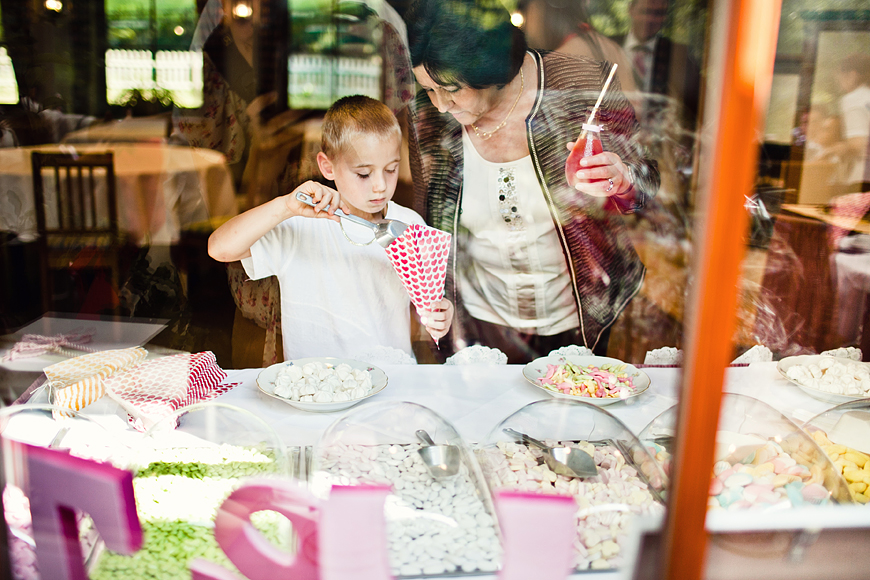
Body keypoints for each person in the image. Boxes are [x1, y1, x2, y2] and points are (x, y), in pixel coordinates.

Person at [405, 0, 659, 363]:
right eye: (429, 89)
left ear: (487, 68)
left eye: (452, 89)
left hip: (582, 321)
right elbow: (429, 225)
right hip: (480, 326)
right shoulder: (427, 118)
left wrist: (622, 181)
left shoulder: (580, 86)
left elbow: (646, 187)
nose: (441, 105)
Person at [208, 95, 454, 360]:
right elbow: (219, 248)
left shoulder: (409, 226)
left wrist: (440, 312)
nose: (380, 185)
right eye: (363, 173)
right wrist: (284, 206)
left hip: (392, 382)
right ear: (327, 166)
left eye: (391, 169)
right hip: (318, 390)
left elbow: (427, 302)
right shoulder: (300, 226)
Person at [614, 0, 701, 130]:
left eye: (658, 13)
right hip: (612, 134)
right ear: (630, 10)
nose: (649, 19)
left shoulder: (679, 55)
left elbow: (696, 106)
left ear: (665, 17)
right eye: (645, 11)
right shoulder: (609, 45)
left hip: (657, 139)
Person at [519, 0, 636, 94]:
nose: (526, 24)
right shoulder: (606, 45)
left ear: (541, 9)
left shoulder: (555, 63)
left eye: (526, 8)